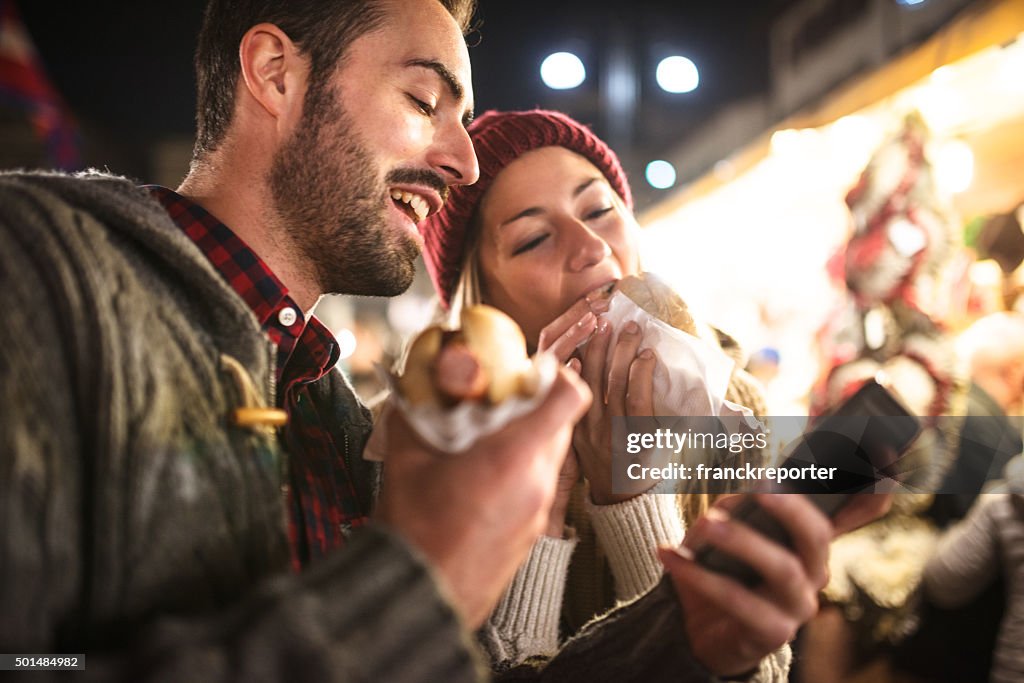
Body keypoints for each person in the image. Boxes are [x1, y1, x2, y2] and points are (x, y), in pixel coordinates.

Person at [0, 5, 883, 679]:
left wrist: (688, 635)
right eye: (425, 100)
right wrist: (422, 580)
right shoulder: (40, 268)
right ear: (274, 72)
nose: (461, 161)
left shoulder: (329, 412)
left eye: (601, 211)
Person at [419, 109, 891, 678]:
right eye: (535, 238)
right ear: (482, 300)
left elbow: (755, 669)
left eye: (599, 210)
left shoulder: (732, 401)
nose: (591, 246)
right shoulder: (440, 449)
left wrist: (633, 499)